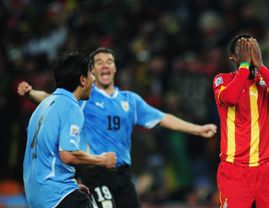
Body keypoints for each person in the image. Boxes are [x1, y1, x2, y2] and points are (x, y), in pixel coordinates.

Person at [18, 47, 218, 208]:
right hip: (95, 171)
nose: (104, 65)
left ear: (115, 68)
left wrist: (197, 129)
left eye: (109, 61)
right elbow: (55, 101)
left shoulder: (130, 100)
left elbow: (162, 118)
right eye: (98, 62)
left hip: (122, 174)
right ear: (91, 72)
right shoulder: (84, 100)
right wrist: (31, 93)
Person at [23, 52, 117, 208]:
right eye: (91, 75)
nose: (94, 80)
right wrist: (102, 160)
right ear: (82, 80)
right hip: (56, 194)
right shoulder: (71, 107)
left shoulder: (42, 107)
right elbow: (68, 155)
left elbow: (45, 153)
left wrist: (70, 184)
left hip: (37, 197)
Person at [213, 34, 269, 208]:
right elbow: (231, 98)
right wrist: (244, 66)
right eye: (244, 53)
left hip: (267, 169)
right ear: (233, 58)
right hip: (235, 169)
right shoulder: (223, 80)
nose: (250, 57)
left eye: (253, 51)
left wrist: (261, 67)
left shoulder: (266, 80)